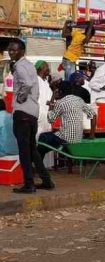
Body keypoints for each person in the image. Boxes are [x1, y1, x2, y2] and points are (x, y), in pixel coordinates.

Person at [7, 39, 53, 193]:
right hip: (33, 112)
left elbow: (26, 83)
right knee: (32, 149)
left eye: (14, 50)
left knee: (24, 151)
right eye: (10, 50)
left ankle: (29, 184)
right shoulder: (30, 66)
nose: (11, 52)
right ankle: (46, 181)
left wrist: (20, 97)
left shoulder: (20, 66)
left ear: (22, 51)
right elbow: (34, 86)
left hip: (22, 112)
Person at [37, 82, 97, 163]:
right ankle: (38, 162)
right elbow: (93, 115)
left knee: (43, 137)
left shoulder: (60, 102)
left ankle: (37, 163)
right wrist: (92, 134)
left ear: (60, 92)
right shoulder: (79, 100)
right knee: (46, 142)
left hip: (65, 139)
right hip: (78, 138)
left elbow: (50, 119)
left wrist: (52, 98)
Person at [35, 60, 55, 168]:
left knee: (46, 138)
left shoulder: (45, 81)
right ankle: (37, 165)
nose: (49, 69)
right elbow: (42, 100)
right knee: (38, 139)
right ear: (41, 68)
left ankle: (45, 165)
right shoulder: (37, 81)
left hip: (47, 115)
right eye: (47, 67)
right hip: (40, 115)